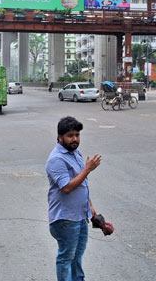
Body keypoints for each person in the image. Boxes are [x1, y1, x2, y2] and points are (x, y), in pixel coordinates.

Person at [45, 117, 102, 281]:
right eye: (70, 135)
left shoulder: (75, 153)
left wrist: (90, 206)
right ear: (60, 137)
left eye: (77, 135)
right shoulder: (56, 159)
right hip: (65, 219)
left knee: (77, 257)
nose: (75, 139)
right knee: (66, 258)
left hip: (80, 216)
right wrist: (88, 169)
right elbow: (67, 187)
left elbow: (82, 183)